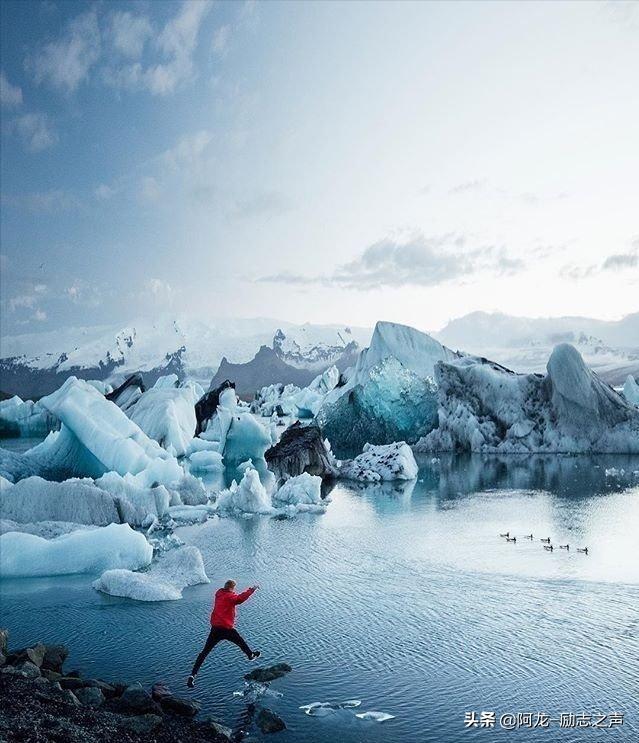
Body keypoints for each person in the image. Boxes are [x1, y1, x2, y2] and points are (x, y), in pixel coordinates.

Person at [187, 580, 260, 688]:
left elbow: (232, 596)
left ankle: (192, 675)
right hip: (226, 629)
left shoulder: (219, 593)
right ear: (231, 588)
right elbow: (240, 599)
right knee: (241, 642)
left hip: (215, 629)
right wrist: (252, 589)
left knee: (204, 653)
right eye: (234, 588)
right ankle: (250, 655)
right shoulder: (231, 597)